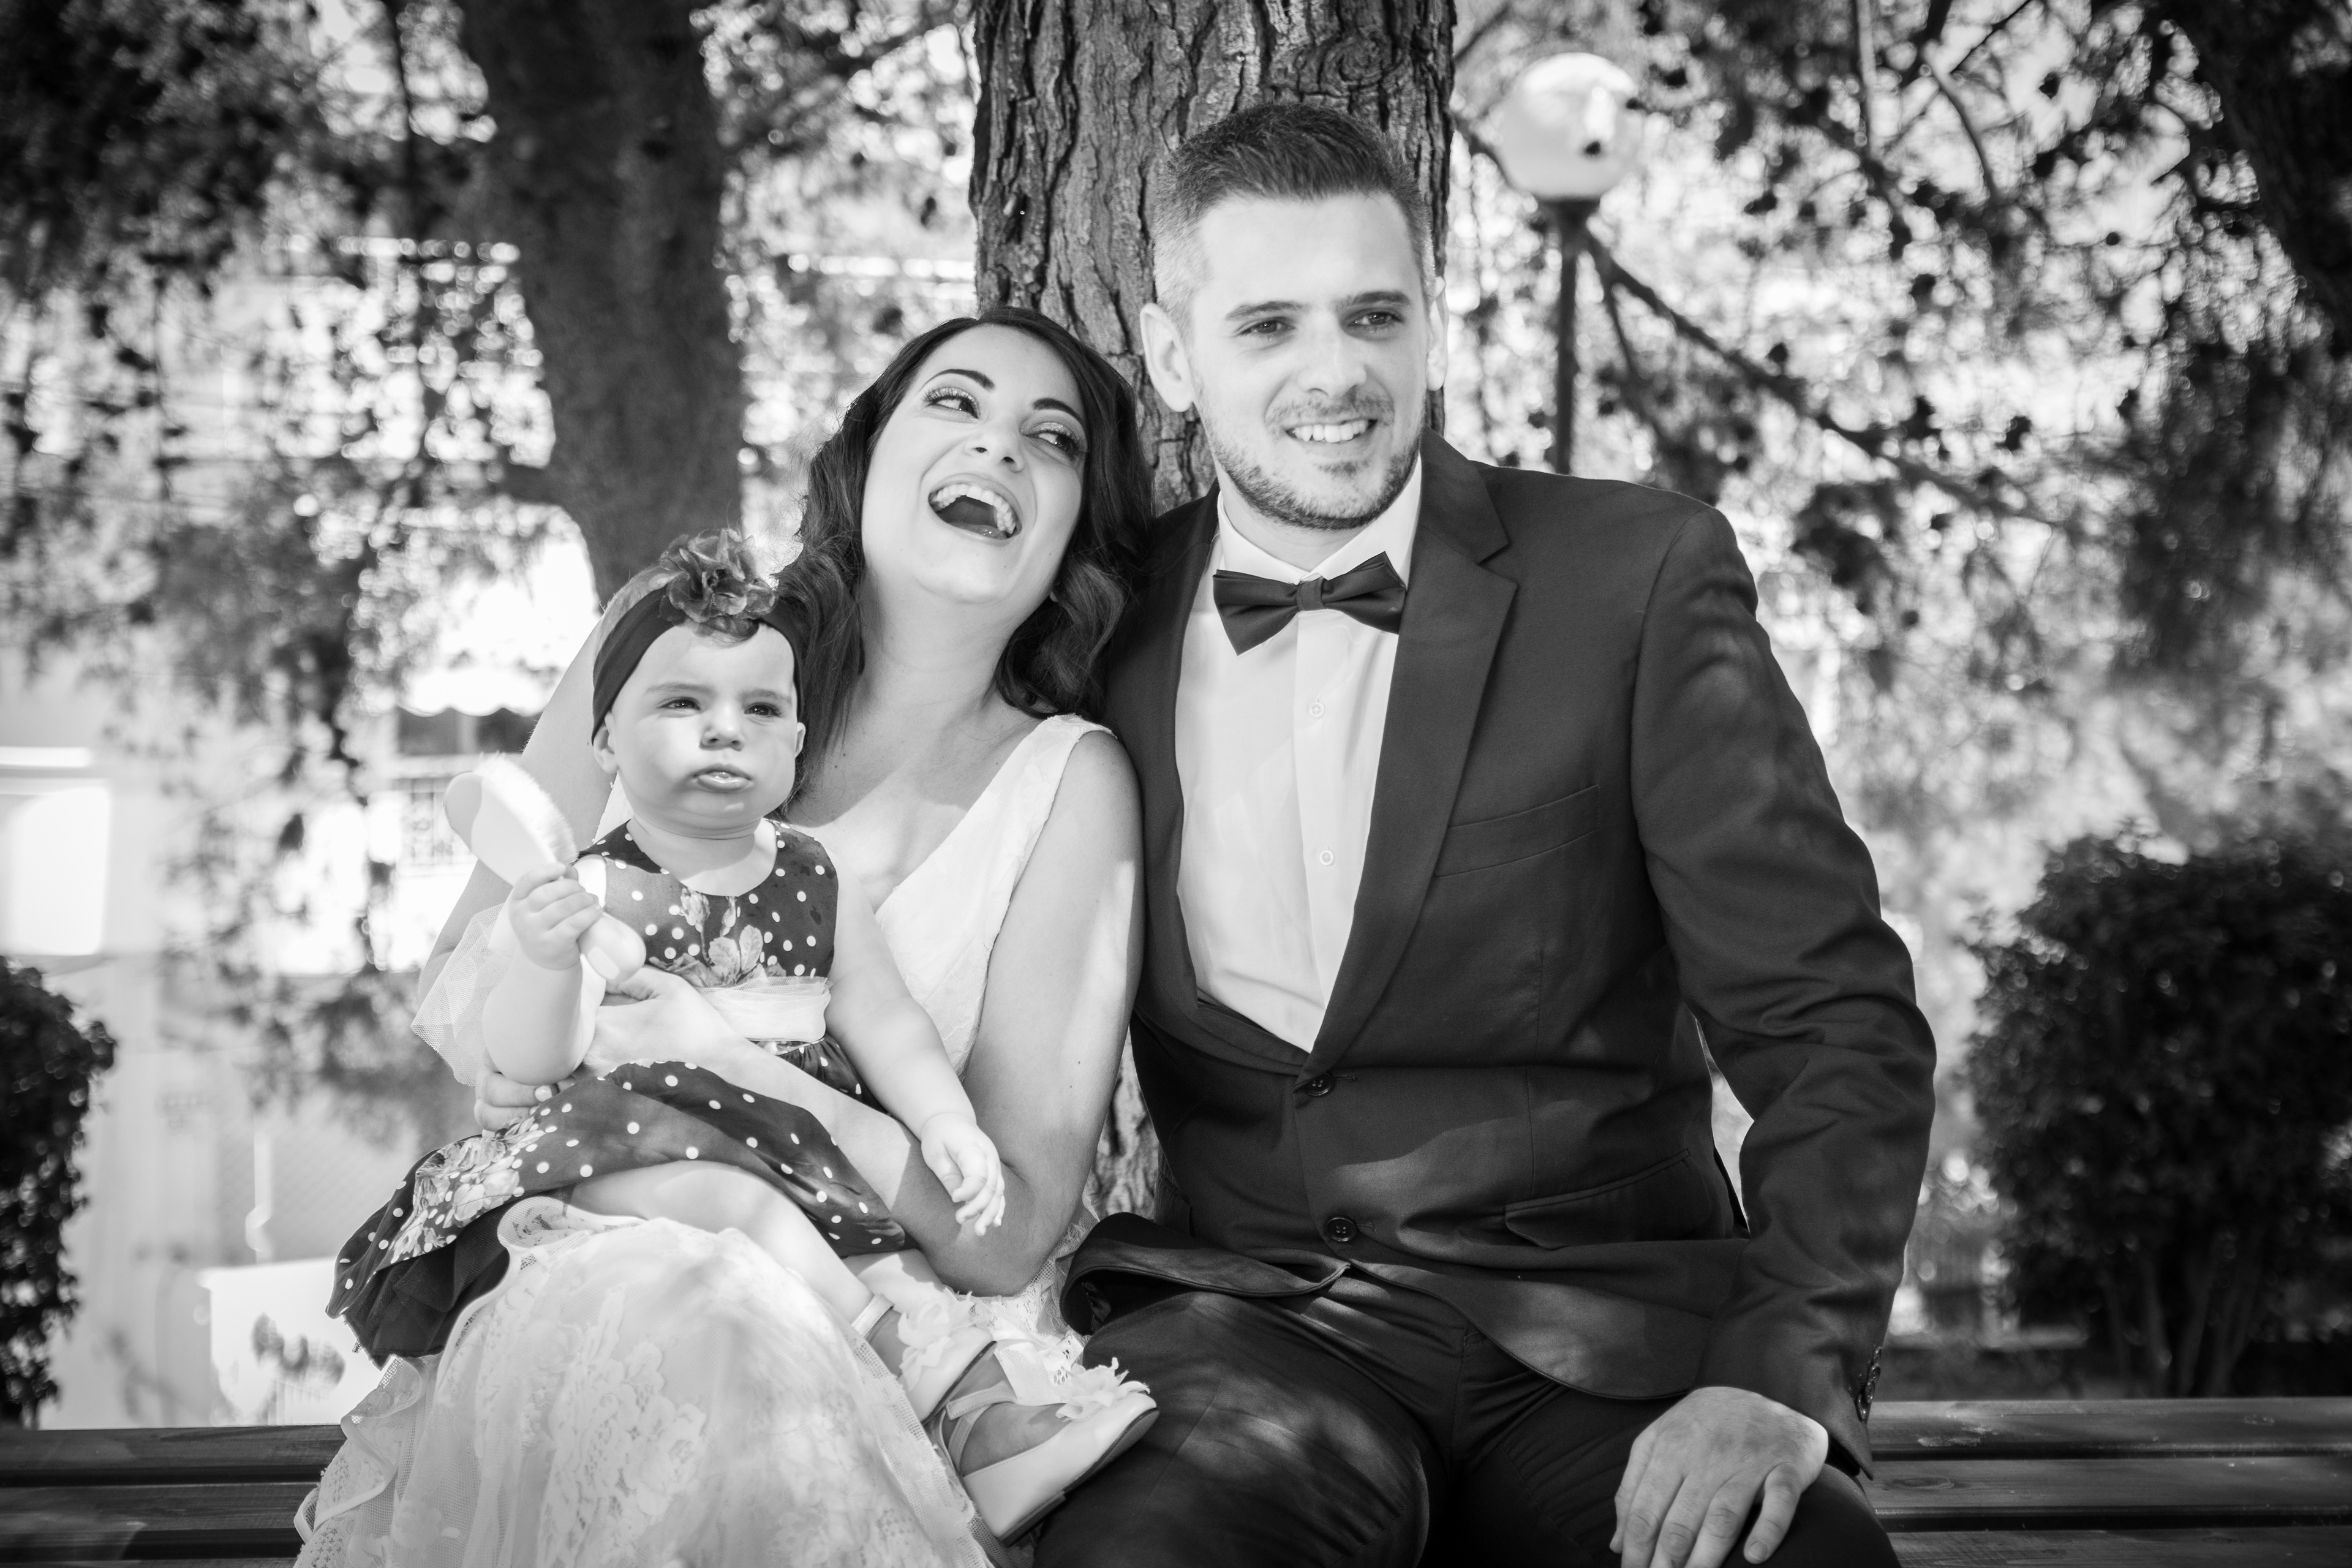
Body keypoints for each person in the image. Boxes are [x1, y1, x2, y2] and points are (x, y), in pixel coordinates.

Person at [1035, 104, 1936, 1568]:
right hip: (1255, 1334)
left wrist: (1781, 1375)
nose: (1336, 371)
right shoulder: (1095, 623)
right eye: (1267, 325)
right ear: (1170, 354)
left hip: (1611, 1341)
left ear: (1434, 323)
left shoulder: (1633, 577)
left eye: (1374, 314)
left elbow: (1834, 1021)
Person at [295, 307, 1158, 1567]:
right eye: (955, 401)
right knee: (688, 1312)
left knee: (738, 1333)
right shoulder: (666, 642)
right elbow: (468, 985)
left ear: (1076, 524)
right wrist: (534, 1014)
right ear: (866, 455)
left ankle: (953, 1411)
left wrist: (734, 1061)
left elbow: (1009, 1228)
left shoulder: (1069, 783)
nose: (1000, 445)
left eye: (1054, 437)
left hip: (902, 1327)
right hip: (600, 1249)